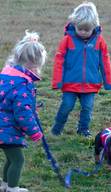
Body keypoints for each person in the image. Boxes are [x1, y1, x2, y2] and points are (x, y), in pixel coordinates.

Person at [51, 1, 111, 138]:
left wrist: (108, 82)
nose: (83, 32)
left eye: (87, 29)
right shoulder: (67, 40)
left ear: (94, 26)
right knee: (66, 106)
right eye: (80, 29)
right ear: (74, 24)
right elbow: (59, 61)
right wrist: (57, 81)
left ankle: (83, 130)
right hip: (70, 84)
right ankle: (57, 128)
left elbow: (105, 62)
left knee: (87, 108)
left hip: (90, 85)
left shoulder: (99, 41)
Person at [0, 30, 47, 192]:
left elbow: (9, 103)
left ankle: (5, 185)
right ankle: (13, 188)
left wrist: (32, 107)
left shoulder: (7, 75)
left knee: (10, 158)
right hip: (7, 130)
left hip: (3, 128)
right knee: (18, 160)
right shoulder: (22, 85)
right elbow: (23, 114)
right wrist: (34, 132)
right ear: (32, 64)